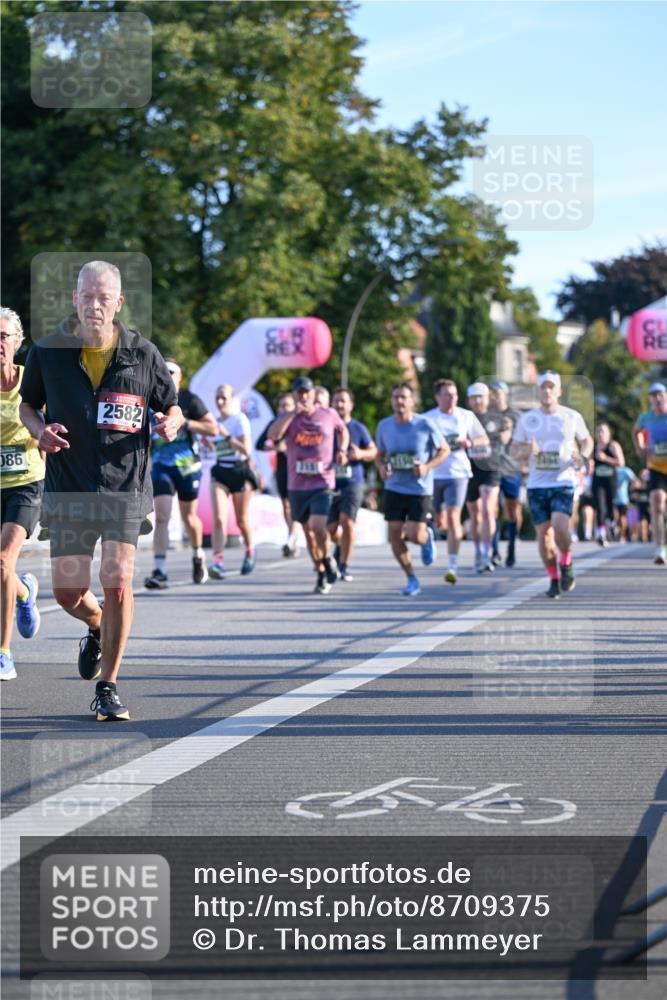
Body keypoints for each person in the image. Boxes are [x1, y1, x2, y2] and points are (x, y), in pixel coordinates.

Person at [19, 261, 183, 720]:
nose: (94, 305)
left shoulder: (142, 353)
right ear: (75, 299)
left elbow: (171, 405)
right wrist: (38, 431)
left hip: (123, 486)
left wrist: (171, 421)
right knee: (68, 593)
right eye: (87, 296)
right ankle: (96, 626)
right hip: (69, 487)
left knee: (118, 582)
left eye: (103, 297)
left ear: (118, 303)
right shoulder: (48, 351)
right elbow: (27, 405)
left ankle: (108, 685)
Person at [510, 371, 593, 598]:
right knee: (544, 537)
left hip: (563, 480)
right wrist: (526, 449)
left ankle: (566, 562)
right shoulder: (527, 419)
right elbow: (513, 450)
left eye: (551, 387)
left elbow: (586, 440)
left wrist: (582, 455)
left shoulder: (571, 416)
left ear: (559, 391)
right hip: (537, 485)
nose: (547, 391)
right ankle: (554, 579)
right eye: (543, 387)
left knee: (560, 526)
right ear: (537, 391)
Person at [266, 375, 349, 594]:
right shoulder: (289, 418)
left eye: (307, 392)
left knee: (318, 527)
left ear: (313, 394)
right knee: (308, 535)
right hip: (297, 485)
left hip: (323, 481)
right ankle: (321, 571)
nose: (303, 396)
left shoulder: (328, 414)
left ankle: (328, 558)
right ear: (295, 395)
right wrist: (292, 413)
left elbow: (343, 430)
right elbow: (273, 435)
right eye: (299, 393)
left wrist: (342, 450)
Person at [144, 359, 217, 590]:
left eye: (172, 372)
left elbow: (212, 428)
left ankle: (198, 554)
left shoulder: (189, 399)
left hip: (188, 467)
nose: (167, 374)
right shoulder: (149, 398)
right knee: (162, 516)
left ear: (180, 377)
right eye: (163, 370)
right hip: (161, 465)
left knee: (190, 518)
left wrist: (183, 422)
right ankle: (160, 570)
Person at [1, 308, 44, 681]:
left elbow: (53, 422)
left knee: (2, 561)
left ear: (17, 340)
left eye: (3, 336)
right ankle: (25, 592)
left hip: (26, 483)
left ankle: (4, 653)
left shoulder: (31, 380)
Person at [375, 382, 449, 596]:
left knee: (415, 535)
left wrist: (426, 467)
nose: (399, 401)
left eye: (403, 397)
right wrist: (382, 468)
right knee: (395, 534)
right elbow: (379, 455)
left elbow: (444, 450)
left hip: (419, 489)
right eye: (395, 397)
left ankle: (427, 538)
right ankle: (411, 578)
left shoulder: (425, 424)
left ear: (412, 401)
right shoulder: (384, 426)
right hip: (394, 487)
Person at [422, 378, 486, 584]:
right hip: (434, 474)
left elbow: (483, 438)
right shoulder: (428, 418)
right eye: (447, 394)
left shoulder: (466, 416)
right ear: (437, 397)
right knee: (437, 521)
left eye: (455, 394)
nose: (452, 398)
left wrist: (469, 442)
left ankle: (452, 565)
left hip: (458, 473)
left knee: (453, 517)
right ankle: (429, 535)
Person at [327, 387, 377, 581]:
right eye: (336, 401)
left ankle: (344, 566)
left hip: (352, 482)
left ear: (351, 405)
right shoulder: (325, 427)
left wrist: (360, 454)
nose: (339, 404)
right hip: (329, 483)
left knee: (347, 522)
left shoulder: (358, 428)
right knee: (329, 529)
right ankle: (341, 544)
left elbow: (373, 451)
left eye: (343, 401)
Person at [207, 384, 257, 578]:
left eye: (224, 398)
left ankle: (250, 550)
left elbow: (246, 449)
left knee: (241, 520)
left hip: (240, 471)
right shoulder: (214, 422)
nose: (220, 402)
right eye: (217, 398)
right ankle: (218, 562)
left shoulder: (239, 420)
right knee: (219, 518)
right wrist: (208, 443)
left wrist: (226, 435)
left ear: (231, 400)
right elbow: (218, 449)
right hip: (221, 471)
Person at [256, 391, 299, 558]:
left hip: (299, 469)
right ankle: (291, 535)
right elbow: (259, 444)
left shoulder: (299, 422)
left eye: (287, 405)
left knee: (296, 503)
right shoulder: (275, 423)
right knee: (286, 504)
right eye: (281, 406)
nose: (284, 409)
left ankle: (293, 536)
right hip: (282, 468)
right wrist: (275, 448)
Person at [465, 382, 502, 573]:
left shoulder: (496, 418)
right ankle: (479, 551)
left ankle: (488, 553)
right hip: (470, 470)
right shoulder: (464, 419)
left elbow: (496, 437)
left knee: (488, 510)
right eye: (474, 397)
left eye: (481, 397)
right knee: (475, 515)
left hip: (490, 469)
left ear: (488, 398)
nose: (478, 401)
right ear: (469, 400)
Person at [488, 379, 523, 567]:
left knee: (511, 509)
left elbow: (526, 440)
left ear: (505, 395)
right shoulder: (486, 415)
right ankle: (494, 550)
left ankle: (511, 546)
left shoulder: (516, 416)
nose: (494, 397)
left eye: (497, 393)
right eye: (491, 393)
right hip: (492, 468)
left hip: (511, 468)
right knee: (492, 508)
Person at [632, 382, 667, 565]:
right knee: (656, 504)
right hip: (656, 467)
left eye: (660, 394)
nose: (657, 398)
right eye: (654, 395)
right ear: (650, 399)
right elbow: (636, 431)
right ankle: (660, 549)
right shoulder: (646, 417)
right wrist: (640, 447)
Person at [591, 422, 624, 546]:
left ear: (608, 433)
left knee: (610, 506)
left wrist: (605, 458)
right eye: (598, 431)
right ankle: (601, 534)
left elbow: (621, 462)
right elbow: (589, 464)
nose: (600, 434)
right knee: (600, 507)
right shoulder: (594, 448)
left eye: (603, 431)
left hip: (610, 481)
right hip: (598, 481)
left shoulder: (613, 445)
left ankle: (612, 524)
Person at [613, 463, 636, 543]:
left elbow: (635, 480)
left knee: (622, 517)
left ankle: (622, 535)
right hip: (612, 498)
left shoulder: (625, 470)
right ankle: (616, 531)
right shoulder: (611, 469)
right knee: (615, 517)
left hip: (623, 499)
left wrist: (632, 490)